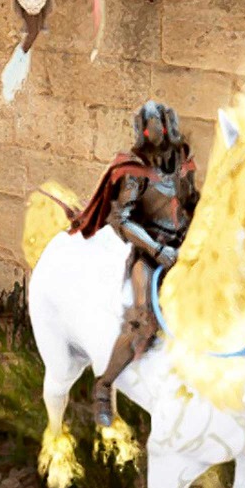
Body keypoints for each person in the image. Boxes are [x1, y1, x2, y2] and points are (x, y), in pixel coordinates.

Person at [68, 100, 197, 426]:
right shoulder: (134, 172)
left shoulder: (183, 160)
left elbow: (192, 201)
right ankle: (104, 386)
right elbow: (122, 220)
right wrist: (157, 249)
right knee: (142, 322)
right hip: (150, 255)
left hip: (186, 246)